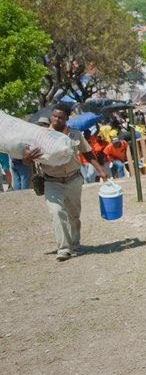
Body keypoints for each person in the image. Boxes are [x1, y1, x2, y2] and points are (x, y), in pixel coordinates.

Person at [22, 104, 110, 261]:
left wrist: (100, 171)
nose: (56, 119)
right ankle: (64, 249)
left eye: (60, 117)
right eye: (54, 116)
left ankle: (75, 243)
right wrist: (28, 158)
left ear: (67, 119)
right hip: (51, 181)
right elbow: (27, 160)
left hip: (73, 179)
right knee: (56, 212)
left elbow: (87, 152)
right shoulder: (41, 136)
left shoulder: (75, 135)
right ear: (51, 116)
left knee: (73, 215)